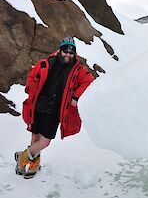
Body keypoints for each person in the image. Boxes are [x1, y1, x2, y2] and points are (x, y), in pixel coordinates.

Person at [16, 37, 95, 179]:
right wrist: (30, 87)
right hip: (39, 106)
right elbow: (33, 74)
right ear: (60, 50)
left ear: (74, 54)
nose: (68, 55)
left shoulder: (78, 70)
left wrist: (76, 97)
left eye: (71, 53)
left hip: (56, 111)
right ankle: (33, 164)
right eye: (66, 51)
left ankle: (22, 157)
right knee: (35, 137)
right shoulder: (46, 63)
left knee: (44, 141)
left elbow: (89, 81)